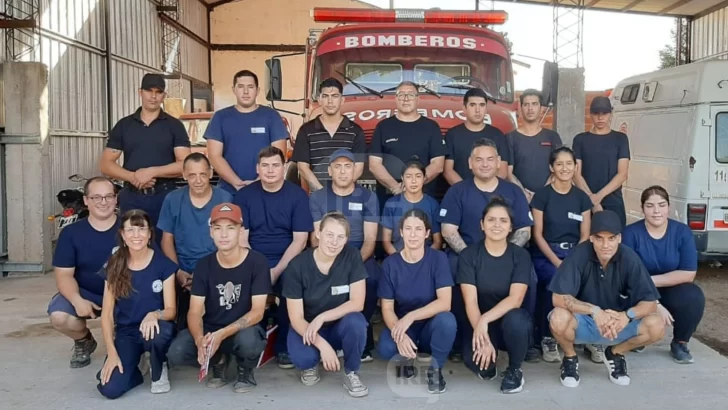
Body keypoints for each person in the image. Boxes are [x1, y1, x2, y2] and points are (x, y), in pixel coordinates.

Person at [439, 137, 533, 361]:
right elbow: (448, 230)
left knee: (532, 277)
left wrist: (503, 255)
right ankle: (459, 338)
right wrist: (473, 258)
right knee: (450, 272)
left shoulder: (513, 192)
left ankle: (524, 339)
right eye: (479, 160)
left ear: (499, 162)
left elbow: (525, 231)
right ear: (470, 163)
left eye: (490, 159)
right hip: (466, 254)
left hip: (506, 254)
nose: (484, 164)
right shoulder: (457, 191)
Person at [548, 210, 665, 388]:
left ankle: (615, 353)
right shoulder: (579, 254)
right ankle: (570, 358)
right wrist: (595, 311)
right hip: (585, 321)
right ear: (591, 238)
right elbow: (558, 298)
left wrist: (627, 316)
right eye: (600, 238)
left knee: (656, 325)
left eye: (611, 238)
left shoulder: (629, 257)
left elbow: (650, 303)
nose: (605, 245)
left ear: (619, 238)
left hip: (618, 324)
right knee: (558, 317)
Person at [167, 203, 271, 393]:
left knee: (250, 342)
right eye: (218, 228)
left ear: (241, 231)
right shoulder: (203, 265)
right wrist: (200, 340)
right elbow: (195, 311)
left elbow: (257, 312)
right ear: (211, 232)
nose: (224, 234)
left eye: (230, 228)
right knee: (177, 351)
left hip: (243, 329)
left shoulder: (257, 262)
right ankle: (218, 361)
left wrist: (222, 334)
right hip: (212, 327)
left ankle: (244, 369)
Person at [234, 146, 313, 369]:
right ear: (257, 169)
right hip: (250, 256)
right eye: (265, 166)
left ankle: (284, 347)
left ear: (284, 167)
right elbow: (242, 238)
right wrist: (260, 268)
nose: (270, 171)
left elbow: (300, 240)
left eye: (275, 165)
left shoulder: (297, 195)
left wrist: (276, 270)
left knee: (292, 285)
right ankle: (248, 343)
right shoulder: (244, 196)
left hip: (288, 259)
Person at [283, 212, 370, 398]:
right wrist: (323, 346)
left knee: (356, 322)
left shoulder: (352, 256)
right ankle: (313, 362)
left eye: (340, 237)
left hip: (338, 325)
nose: (334, 242)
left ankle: (351, 372)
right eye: (329, 235)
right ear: (318, 233)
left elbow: (358, 302)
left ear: (346, 239)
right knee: (304, 359)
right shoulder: (297, 266)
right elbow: (296, 318)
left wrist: (322, 317)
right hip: (307, 326)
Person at [99, 73, 191, 244]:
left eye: (158, 92)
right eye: (149, 91)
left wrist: (151, 172)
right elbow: (105, 164)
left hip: (166, 196)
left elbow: (185, 165)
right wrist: (134, 177)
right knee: (132, 245)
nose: (153, 96)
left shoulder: (174, 126)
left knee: (167, 244)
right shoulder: (124, 125)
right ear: (140, 92)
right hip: (132, 196)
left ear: (164, 96)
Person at [96, 210, 178, 399]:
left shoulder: (163, 265)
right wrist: (111, 352)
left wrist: (155, 314)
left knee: (158, 334)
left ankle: (159, 367)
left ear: (150, 234)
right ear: (123, 235)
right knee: (110, 389)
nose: (136, 235)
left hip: (156, 327)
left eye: (141, 229)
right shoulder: (114, 265)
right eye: (130, 230)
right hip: (127, 332)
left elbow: (171, 311)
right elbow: (107, 314)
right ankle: (135, 371)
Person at [308, 149, 380, 361]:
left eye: (347, 166)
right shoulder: (318, 198)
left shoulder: (368, 197)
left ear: (355, 170)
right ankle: (323, 336)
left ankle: (362, 340)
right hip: (326, 251)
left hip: (358, 252)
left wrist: (351, 266)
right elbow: (315, 238)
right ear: (330, 171)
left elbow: (370, 239)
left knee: (373, 280)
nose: (342, 171)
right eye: (337, 166)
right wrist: (331, 261)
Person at [457, 198, 533, 394]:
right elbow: (470, 301)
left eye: (503, 220)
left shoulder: (520, 256)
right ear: (482, 225)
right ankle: (489, 352)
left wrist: (485, 319)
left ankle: (515, 369)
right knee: (483, 368)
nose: (497, 225)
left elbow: (515, 299)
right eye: (491, 220)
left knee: (517, 319)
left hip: (508, 321)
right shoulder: (469, 255)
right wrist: (483, 336)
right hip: (478, 323)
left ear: (510, 228)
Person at [621, 185, 705, 364]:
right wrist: (655, 303)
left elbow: (688, 273)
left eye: (661, 204)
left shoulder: (682, 232)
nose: (656, 211)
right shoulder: (630, 234)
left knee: (693, 296)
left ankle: (680, 343)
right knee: (622, 292)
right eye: (650, 206)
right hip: (636, 290)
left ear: (669, 207)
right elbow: (628, 275)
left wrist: (649, 282)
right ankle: (639, 335)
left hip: (668, 287)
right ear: (642, 208)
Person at [377, 209, 456, 395]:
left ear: (427, 233)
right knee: (386, 347)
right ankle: (407, 358)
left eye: (418, 229)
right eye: (408, 229)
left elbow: (445, 302)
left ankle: (435, 370)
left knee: (447, 320)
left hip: (430, 325)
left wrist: (412, 316)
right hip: (405, 326)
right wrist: (400, 335)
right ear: (401, 232)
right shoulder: (390, 264)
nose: (413, 234)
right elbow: (387, 308)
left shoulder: (438, 259)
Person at [48, 177, 121, 369]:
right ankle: (84, 340)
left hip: (124, 294)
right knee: (60, 317)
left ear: (116, 199)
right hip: (87, 293)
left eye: (108, 197)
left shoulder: (131, 229)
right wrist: (76, 300)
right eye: (96, 197)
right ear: (86, 200)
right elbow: (64, 275)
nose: (103, 202)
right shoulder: (71, 233)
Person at [157, 153, 233, 330]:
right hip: (185, 273)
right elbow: (166, 241)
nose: (198, 180)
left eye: (203, 174)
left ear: (211, 173)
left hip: (218, 271)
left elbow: (232, 241)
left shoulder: (224, 199)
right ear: (184, 175)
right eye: (192, 175)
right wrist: (177, 271)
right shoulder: (173, 199)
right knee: (184, 334)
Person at [530, 146, 592, 362]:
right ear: (551, 167)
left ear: (576, 167)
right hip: (547, 253)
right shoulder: (542, 196)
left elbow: (585, 234)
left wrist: (573, 261)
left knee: (591, 281)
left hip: (577, 253)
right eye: (559, 164)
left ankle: (588, 336)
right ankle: (548, 337)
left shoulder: (582, 198)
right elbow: (537, 233)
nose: (564, 168)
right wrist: (557, 261)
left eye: (569, 164)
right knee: (552, 281)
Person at [205, 70, 288, 195]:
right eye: (241, 87)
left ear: (258, 90)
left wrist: (258, 182)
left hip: (266, 190)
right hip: (229, 191)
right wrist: (236, 182)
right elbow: (214, 156)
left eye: (250, 87)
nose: (245, 92)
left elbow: (279, 154)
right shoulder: (220, 118)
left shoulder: (271, 116)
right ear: (233, 89)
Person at [368, 81, 447, 206]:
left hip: (423, 199)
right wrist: (395, 187)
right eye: (401, 94)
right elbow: (374, 164)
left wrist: (413, 185)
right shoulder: (383, 127)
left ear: (418, 99)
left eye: (410, 95)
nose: (405, 99)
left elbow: (438, 165)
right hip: (390, 199)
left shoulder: (431, 127)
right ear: (396, 98)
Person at [291, 78, 366, 191]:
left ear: (342, 100)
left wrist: (340, 191)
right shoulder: (305, 131)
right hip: (317, 199)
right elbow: (303, 168)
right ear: (319, 100)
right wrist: (322, 193)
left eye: (335, 96)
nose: (330, 101)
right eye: (325, 96)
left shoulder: (355, 131)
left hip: (346, 197)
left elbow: (358, 168)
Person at [573, 96, 631, 227]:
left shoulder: (620, 139)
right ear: (590, 114)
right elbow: (576, 173)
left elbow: (622, 174)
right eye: (596, 113)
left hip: (613, 201)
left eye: (604, 113)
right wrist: (591, 199)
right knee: (584, 241)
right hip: (585, 201)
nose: (600, 118)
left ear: (611, 114)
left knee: (615, 242)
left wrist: (597, 197)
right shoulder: (580, 139)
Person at [443, 87, 510, 184]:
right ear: (464, 109)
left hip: (490, 196)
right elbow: (448, 171)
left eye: (482, 105)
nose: (477, 110)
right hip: (462, 195)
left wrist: (485, 189)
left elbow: (502, 171)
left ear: (486, 109)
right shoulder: (452, 135)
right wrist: (466, 191)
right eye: (472, 105)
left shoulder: (497, 135)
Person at [507, 89, 563, 202]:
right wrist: (523, 194)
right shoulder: (510, 138)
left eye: (534, 104)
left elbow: (558, 167)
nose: (530, 108)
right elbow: (508, 172)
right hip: (519, 199)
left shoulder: (552, 137)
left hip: (548, 198)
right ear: (521, 108)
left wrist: (541, 195)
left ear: (541, 108)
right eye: (526, 104)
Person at [381, 160, 442, 254]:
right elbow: (386, 241)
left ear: (424, 178)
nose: (413, 181)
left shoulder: (432, 204)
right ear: (402, 178)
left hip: (426, 259)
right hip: (397, 257)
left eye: (418, 176)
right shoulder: (391, 204)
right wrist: (398, 259)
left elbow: (437, 241)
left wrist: (426, 260)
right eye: (408, 176)